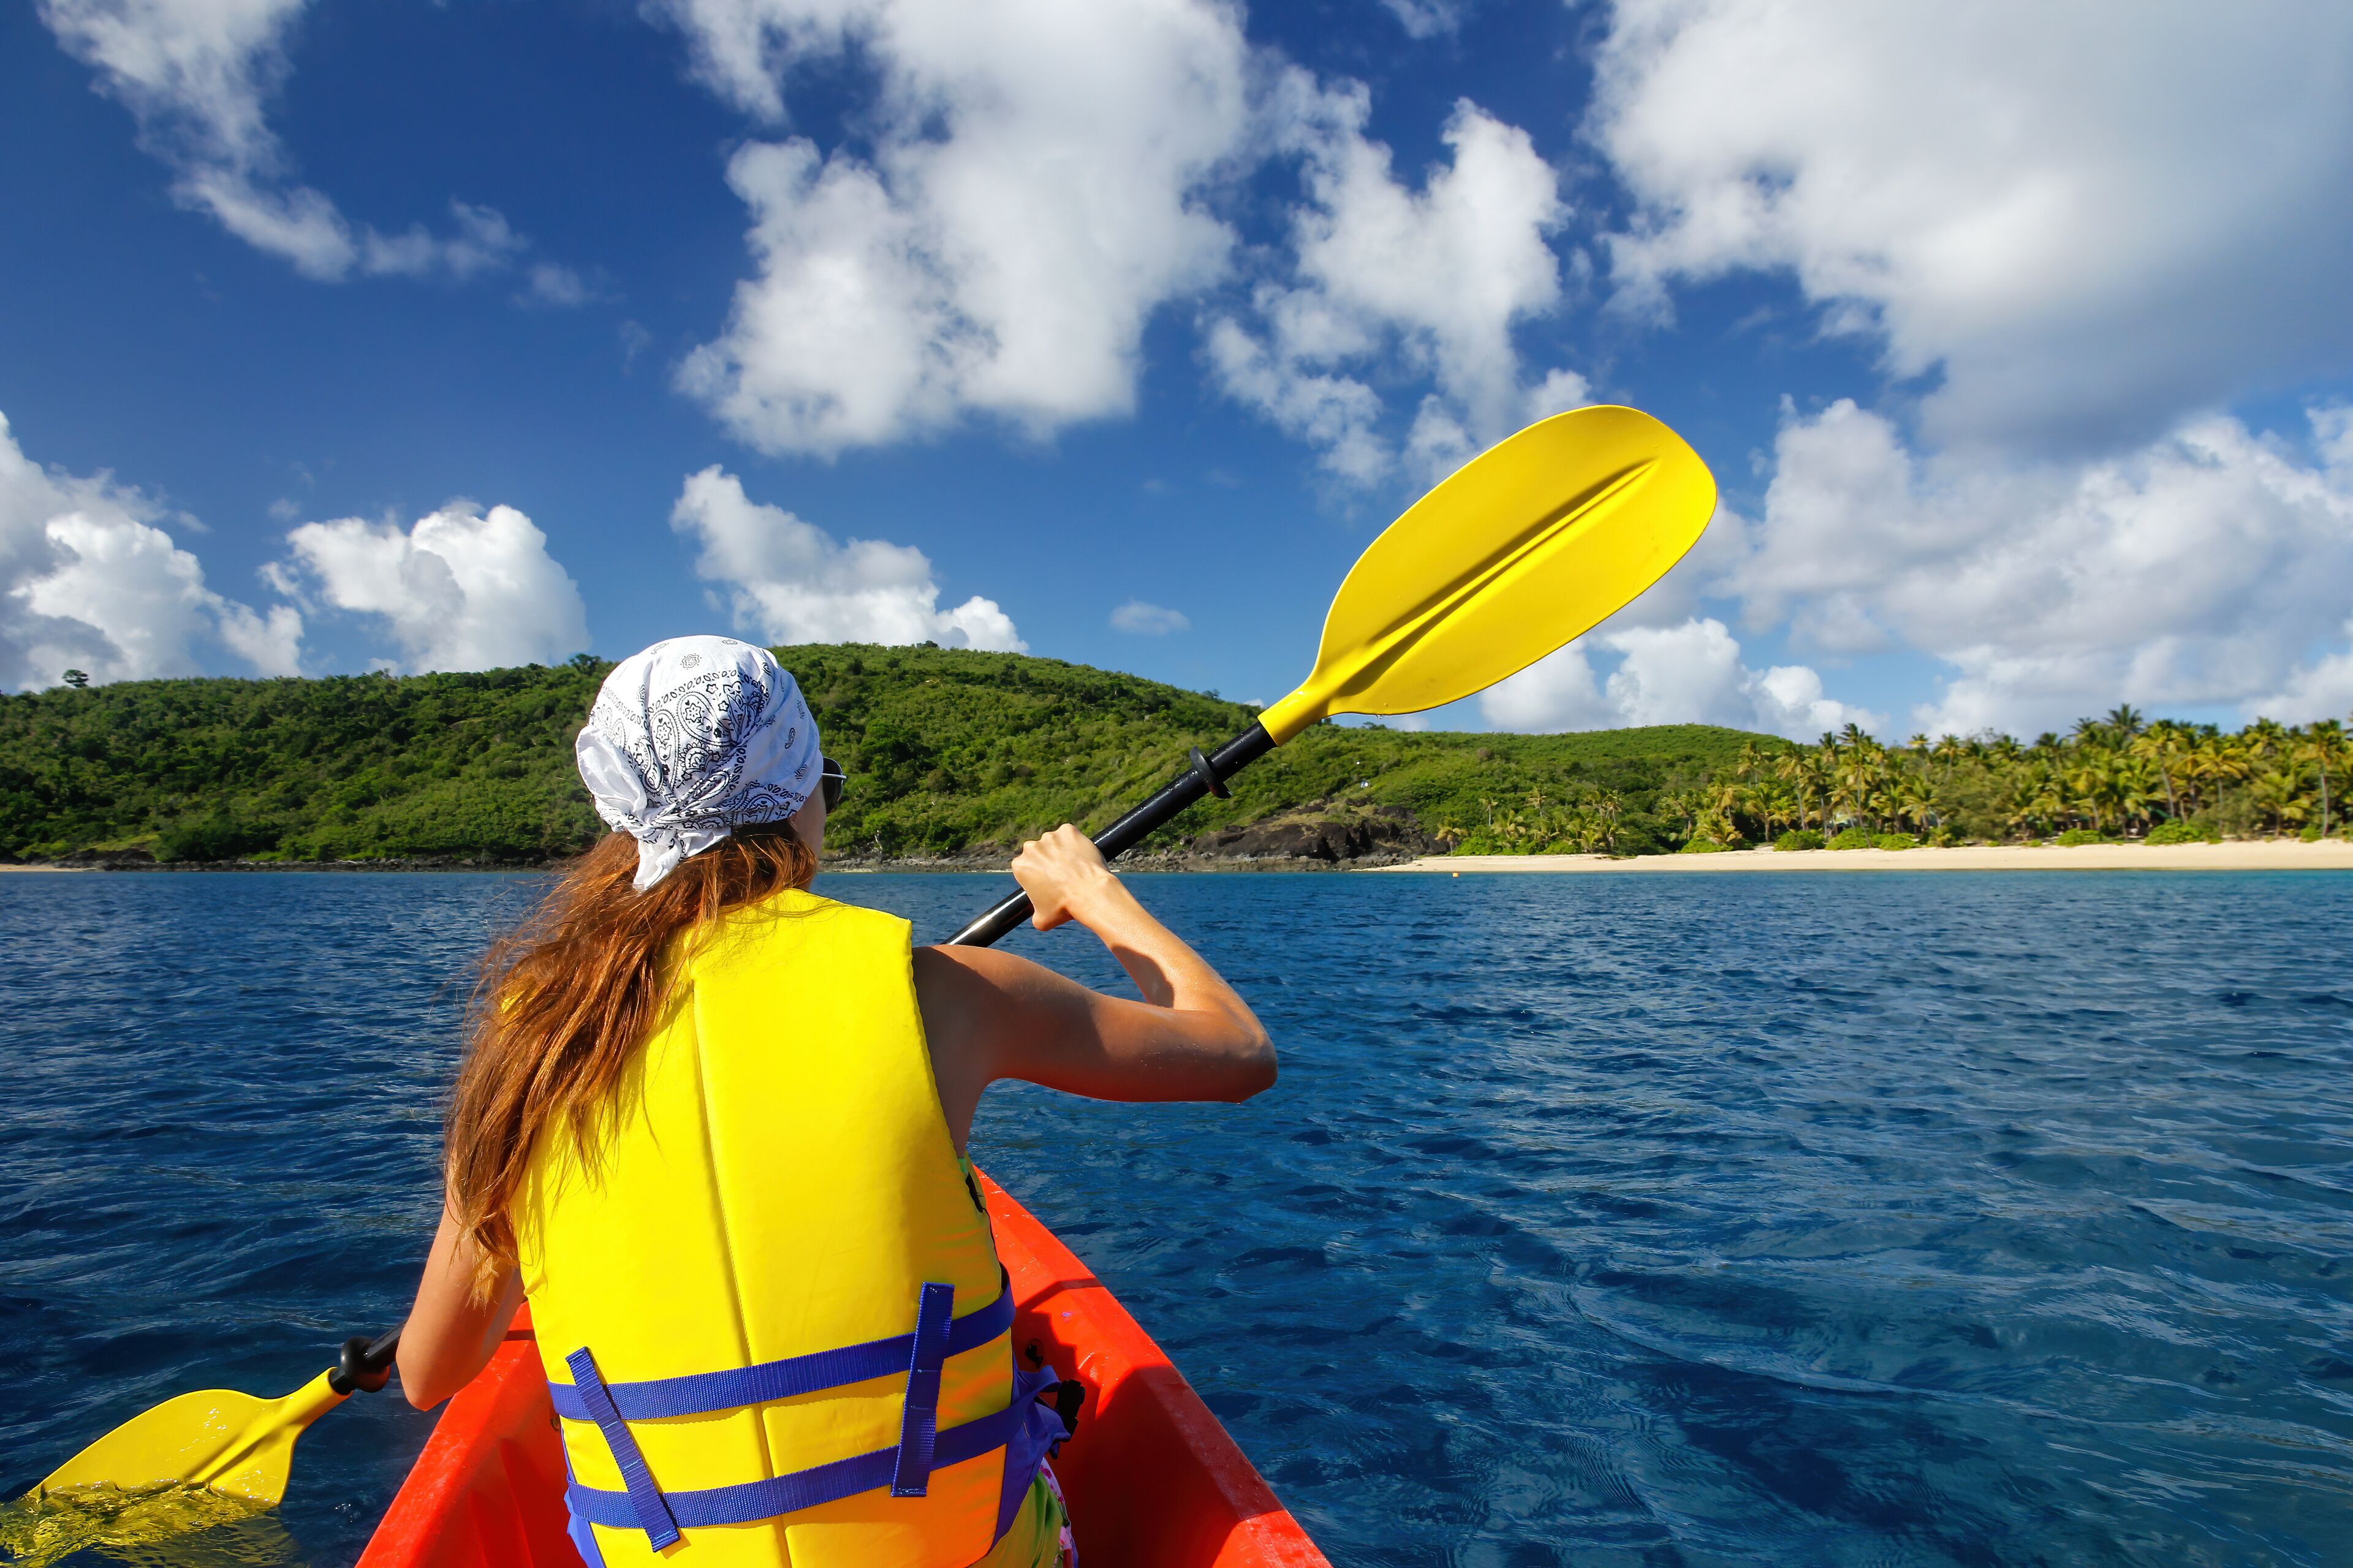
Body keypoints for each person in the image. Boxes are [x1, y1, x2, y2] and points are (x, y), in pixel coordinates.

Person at [395, 636, 1275, 1568]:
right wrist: (1095, 894)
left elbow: (429, 1373)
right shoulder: (948, 993)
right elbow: (1238, 1053)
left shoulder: (530, 1034)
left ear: (619, 818)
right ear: (803, 798)